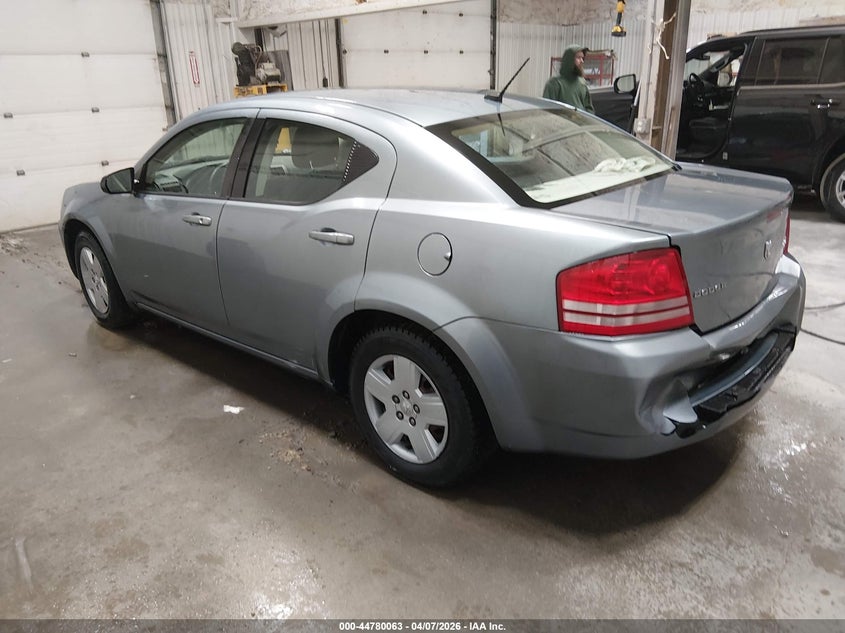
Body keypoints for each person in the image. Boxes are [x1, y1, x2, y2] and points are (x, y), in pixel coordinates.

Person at [543, 45, 594, 113]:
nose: (582, 61)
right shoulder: (555, 83)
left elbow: (589, 109)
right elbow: (547, 109)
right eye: (578, 57)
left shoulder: (582, 83)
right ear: (569, 60)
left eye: (582, 58)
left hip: (580, 119)